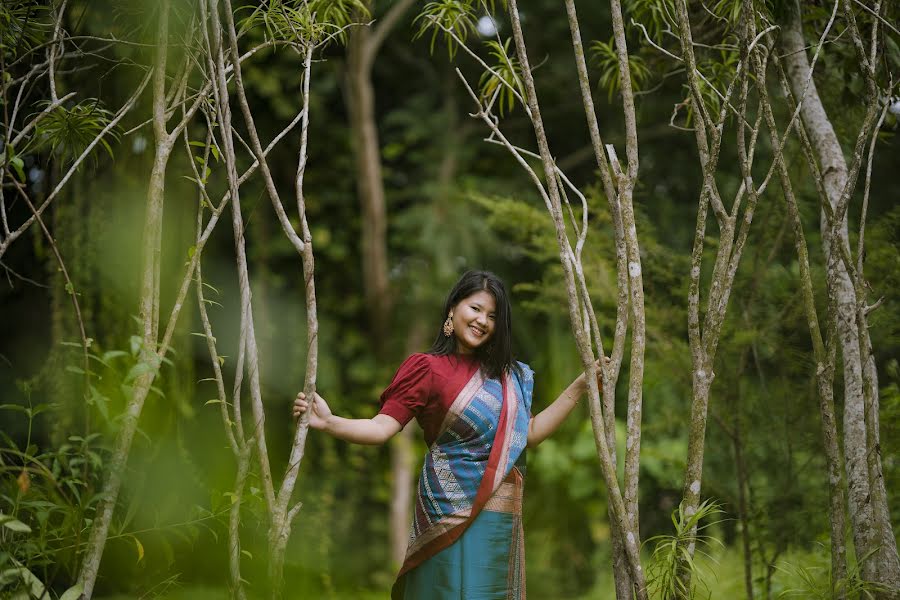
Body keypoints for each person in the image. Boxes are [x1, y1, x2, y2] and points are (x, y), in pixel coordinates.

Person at [292, 270, 600, 600]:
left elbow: (531, 433)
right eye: (476, 308)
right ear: (453, 307)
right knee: (447, 589)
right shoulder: (427, 368)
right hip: (445, 508)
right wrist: (329, 422)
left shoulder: (509, 377)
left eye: (492, 316)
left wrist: (580, 387)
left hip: (499, 516)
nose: (482, 320)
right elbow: (382, 427)